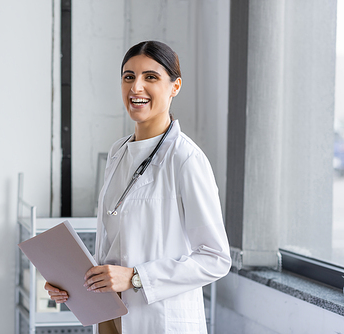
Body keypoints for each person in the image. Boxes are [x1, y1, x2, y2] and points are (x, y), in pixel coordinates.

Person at [45, 40, 231, 334]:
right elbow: (115, 250)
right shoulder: (118, 152)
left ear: (175, 86)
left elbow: (215, 258)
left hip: (158, 321)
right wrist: (71, 283)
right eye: (129, 76)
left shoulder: (185, 159)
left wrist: (136, 278)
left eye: (151, 77)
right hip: (110, 317)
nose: (136, 88)